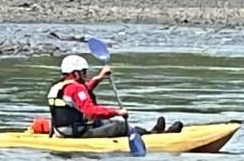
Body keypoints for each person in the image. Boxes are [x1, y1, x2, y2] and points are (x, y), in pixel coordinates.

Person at [47, 55, 182, 138]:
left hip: (65, 130)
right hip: (76, 133)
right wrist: (117, 112)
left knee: (109, 123)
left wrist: (99, 78)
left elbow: (83, 93)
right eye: (83, 72)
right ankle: (154, 136)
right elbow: (91, 111)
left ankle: (151, 132)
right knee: (121, 127)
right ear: (75, 73)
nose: (86, 75)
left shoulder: (61, 86)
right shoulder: (75, 87)